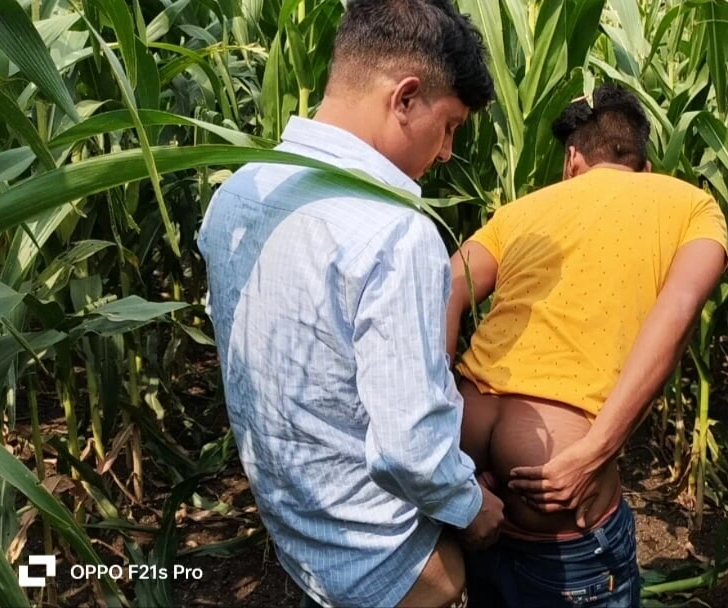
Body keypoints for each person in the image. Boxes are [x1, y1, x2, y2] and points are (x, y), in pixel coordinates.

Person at [197, 1, 504, 606]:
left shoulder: (242, 188)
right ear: (406, 98)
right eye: (450, 127)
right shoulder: (395, 232)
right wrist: (473, 510)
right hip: (379, 560)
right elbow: (409, 450)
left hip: (297, 532)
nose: (446, 153)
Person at [445, 84, 728, 607]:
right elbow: (679, 309)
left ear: (573, 159)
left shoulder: (521, 210)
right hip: (558, 488)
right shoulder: (691, 205)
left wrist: (441, 450)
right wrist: (596, 451)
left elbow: (444, 290)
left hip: (471, 476)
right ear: (644, 165)